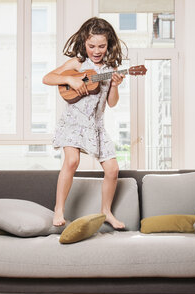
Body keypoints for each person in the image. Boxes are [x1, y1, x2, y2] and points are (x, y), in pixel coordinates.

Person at [42, 17, 126, 229]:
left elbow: (112, 103)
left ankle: (106, 211)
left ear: (109, 45)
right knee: (71, 161)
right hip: (73, 122)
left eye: (101, 46)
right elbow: (48, 78)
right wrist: (69, 79)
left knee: (113, 169)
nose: (96, 51)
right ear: (84, 43)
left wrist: (115, 85)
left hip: (96, 126)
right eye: (91, 46)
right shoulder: (78, 63)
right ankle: (59, 209)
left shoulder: (110, 69)